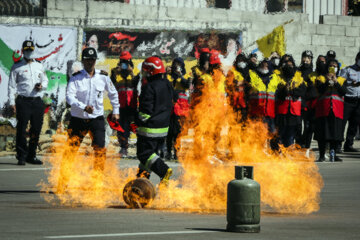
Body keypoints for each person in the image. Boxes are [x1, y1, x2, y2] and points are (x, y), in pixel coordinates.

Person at [58, 47, 120, 191]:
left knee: (100, 151)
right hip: (78, 119)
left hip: (96, 119)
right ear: (83, 61)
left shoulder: (103, 77)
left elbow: (113, 94)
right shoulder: (76, 78)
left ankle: (96, 182)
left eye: (92, 60)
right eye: (87, 60)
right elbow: (69, 97)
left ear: (95, 61)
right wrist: (83, 106)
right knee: (70, 151)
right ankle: (63, 182)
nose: (90, 62)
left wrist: (116, 111)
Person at [8, 40, 49, 165]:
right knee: (21, 129)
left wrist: (41, 86)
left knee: (36, 129)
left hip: (37, 101)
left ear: (33, 50)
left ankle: (31, 155)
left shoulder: (39, 65)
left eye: (30, 50)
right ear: (23, 51)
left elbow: (46, 81)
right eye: (26, 50)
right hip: (23, 101)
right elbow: (11, 87)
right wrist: (11, 103)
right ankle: (21, 155)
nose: (29, 52)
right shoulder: (16, 67)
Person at [136, 56, 173, 183]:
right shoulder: (167, 84)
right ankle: (141, 181)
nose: (144, 74)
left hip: (149, 128)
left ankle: (164, 170)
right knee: (150, 156)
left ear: (151, 71)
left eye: (146, 71)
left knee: (144, 154)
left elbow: (146, 110)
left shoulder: (149, 87)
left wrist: (138, 120)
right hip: (163, 128)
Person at [314, 60, 346, 162]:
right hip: (323, 109)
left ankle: (334, 153)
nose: (333, 67)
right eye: (331, 65)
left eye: (335, 66)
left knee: (335, 133)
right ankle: (322, 155)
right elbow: (319, 90)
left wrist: (335, 82)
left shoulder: (341, 79)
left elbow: (343, 92)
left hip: (336, 110)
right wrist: (327, 81)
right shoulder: (321, 78)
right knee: (322, 133)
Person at [275, 56, 306, 147]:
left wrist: (292, 90)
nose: (289, 67)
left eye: (291, 65)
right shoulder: (277, 77)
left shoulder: (299, 77)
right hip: (282, 110)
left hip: (294, 111)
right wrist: (285, 89)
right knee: (280, 133)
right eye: (287, 65)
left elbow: (303, 92)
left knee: (291, 134)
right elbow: (276, 93)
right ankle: (279, 152)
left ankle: (288, 152)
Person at [110, 51, 137, 157]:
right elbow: (110, 86)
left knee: (135, 127)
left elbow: (137, 84)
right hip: (121, 106)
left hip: (133, 106)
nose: (125, 65)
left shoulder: (134, 74)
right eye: (123, 62)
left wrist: (132, 73)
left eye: (127, 62)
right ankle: (123, 148)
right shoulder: (116, 74)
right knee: (122, 128)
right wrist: (115, 73)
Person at [166, 57, 190, 160]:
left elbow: (188, 85)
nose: (176, 67)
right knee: (168, 132)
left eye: (179, 65)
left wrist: (180, 76)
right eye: (175, 65)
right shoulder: (168, 77)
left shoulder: (185, 77)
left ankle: (177, 151)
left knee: (178, 132)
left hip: (180, 109)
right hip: (169, 108)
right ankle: (167, 151)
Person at [248, 60, 281, 136]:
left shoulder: (274, 77)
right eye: (263, 65)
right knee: (257, 134)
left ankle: (269, 147)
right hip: (256, 111)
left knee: (271, 135)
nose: (265, 67)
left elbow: (277, 94)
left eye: (266, 66)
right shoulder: (253, 75)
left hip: (270, 112)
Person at [339, 51, 360, 152]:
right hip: (347, 100)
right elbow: (340, 83)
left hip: (358, 101)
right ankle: (338, 145)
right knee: (342, 123)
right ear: (357, 59)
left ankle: (349, 144)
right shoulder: (347, 69)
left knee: (354, 124)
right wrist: (351, 83)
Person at [296, 50, 314, 147]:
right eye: (305, 57)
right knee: (298, 125)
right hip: (298, 102)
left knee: (308, 126)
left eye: (308, 58)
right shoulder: (297, 71)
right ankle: (298, 143)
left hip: (308, 103)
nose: (306, 60)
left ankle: (306, 144)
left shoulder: (312, 73)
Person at [226, 53, 249, 121]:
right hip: (235, 101)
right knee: (234, 120)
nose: (241, 62)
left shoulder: (247, 72)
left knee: (245, 121)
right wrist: (241, 82)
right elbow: (229, 84)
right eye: (239, 60)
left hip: (245, 101)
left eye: (243, 61)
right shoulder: (232, 71)